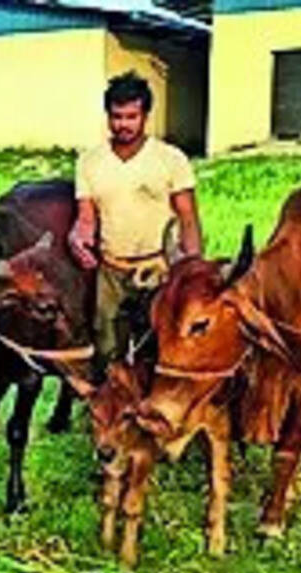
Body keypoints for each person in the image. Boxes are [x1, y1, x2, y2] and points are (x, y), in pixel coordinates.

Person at [68, 71, 204, 368]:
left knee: (154, 351)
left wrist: (192, 271)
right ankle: (109, 411)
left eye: (131, 116)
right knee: (106, 352)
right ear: (107, 116)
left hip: (157, 270)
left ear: (145, 116)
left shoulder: (171, 159)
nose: (123, 125)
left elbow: (189, 218)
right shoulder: (89, 162)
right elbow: (86, 216)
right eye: (116, 116)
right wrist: (78, 236)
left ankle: (149, 412)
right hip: (112, 271)